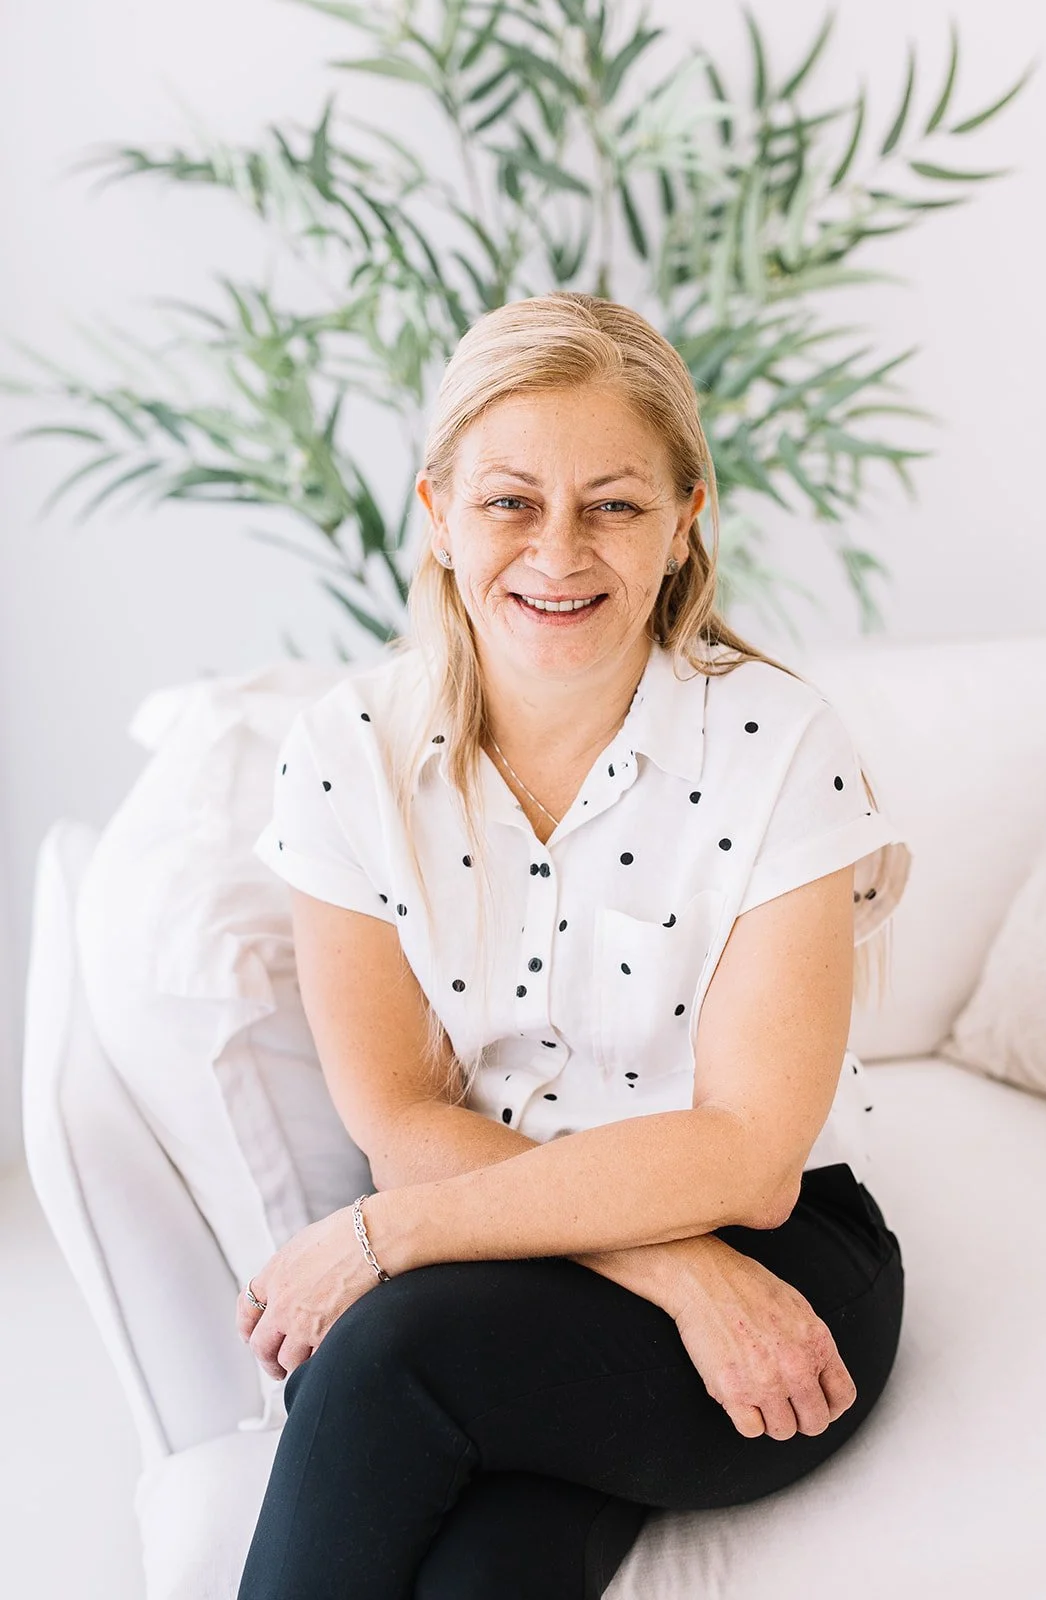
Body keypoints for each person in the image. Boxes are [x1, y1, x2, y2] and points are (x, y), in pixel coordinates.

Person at [237, 291, 912, 1599]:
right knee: (488, 1570)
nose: (558, 551)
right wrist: (669, 1271)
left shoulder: (777, 746)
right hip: (523, 1255)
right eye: (510, 502)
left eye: (612, 504)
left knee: (376, 1357)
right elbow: (397, 1114)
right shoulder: (346, 754)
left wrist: (379, 1240)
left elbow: (747, 1158)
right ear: (438, 514)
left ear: (682, 520)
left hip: (777, 1263)